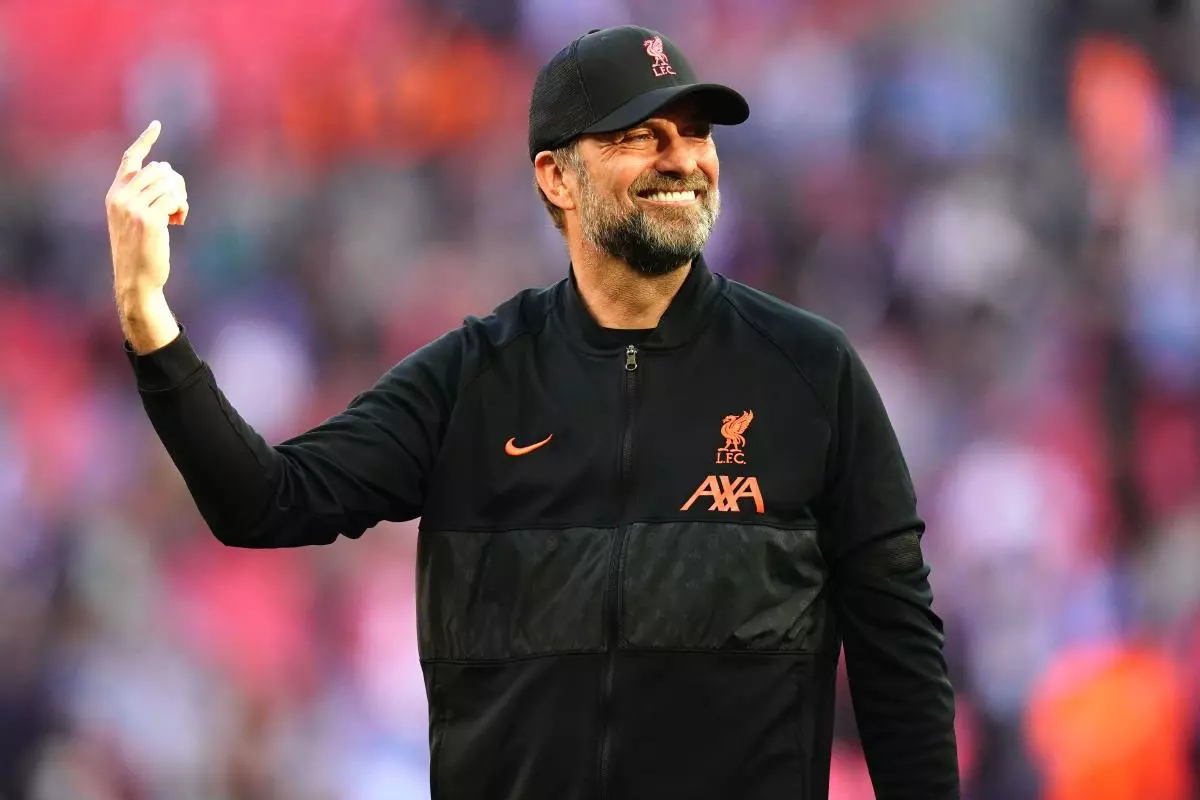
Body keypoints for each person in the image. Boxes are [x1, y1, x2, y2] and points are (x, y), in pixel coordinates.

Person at [105, 25, 959, 800]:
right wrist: (151, 320)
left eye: (695, 133)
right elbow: (265, 501)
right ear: (556, 175)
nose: (682, 158)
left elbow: (898, 658)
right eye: (639, 136)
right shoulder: (475, 377)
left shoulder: (810, 373)